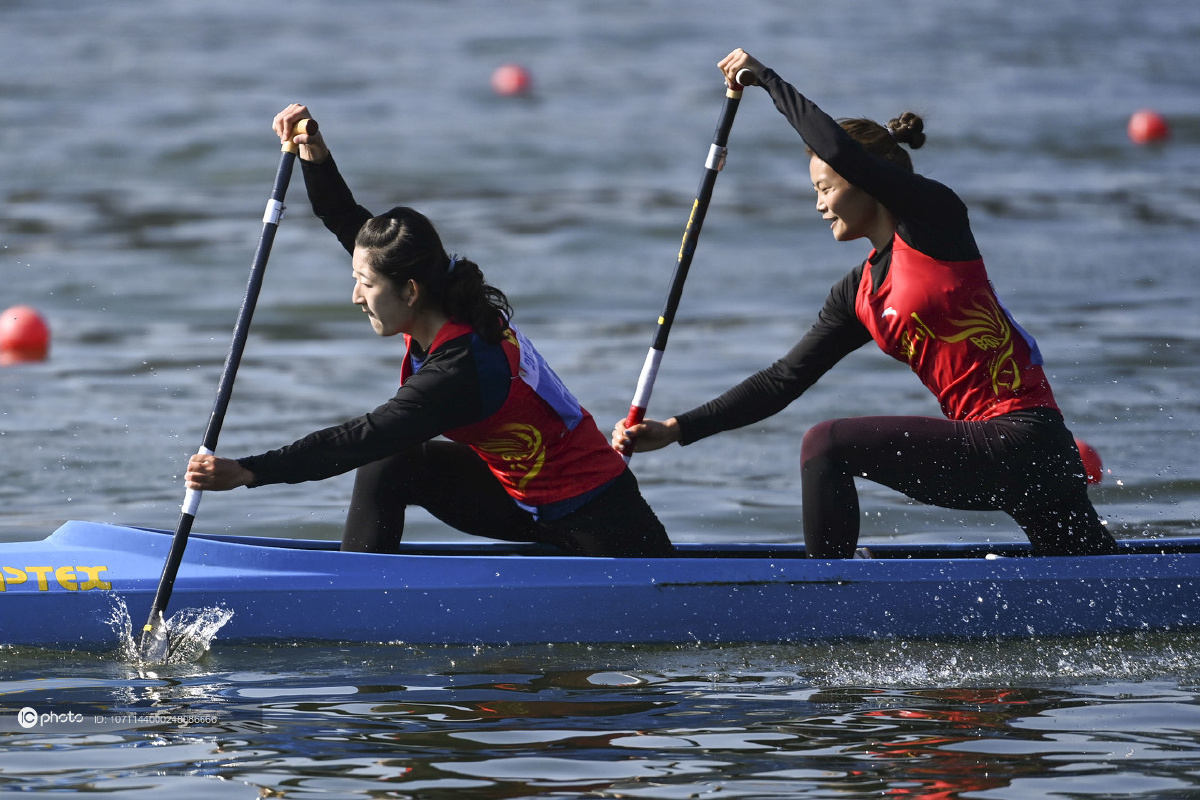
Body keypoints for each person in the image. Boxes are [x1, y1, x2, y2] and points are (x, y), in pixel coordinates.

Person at [613, 49, 1120, 559]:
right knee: (1103, 581)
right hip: (1001, 454)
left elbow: (841, 148)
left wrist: (766, 79)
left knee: (826, 445)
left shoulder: (934, 221)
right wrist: (678, 429)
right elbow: (782, 380)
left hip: (1024, 440)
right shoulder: (857, 294)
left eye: (825, 187)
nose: (818, 204)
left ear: (862, 180)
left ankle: (828, 602)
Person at [185, 104, 673, 557]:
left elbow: (360, 437)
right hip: (521, 497)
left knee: (378, 451)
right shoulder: (438, 295)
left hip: (596, 522)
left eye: (365, 284)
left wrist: (249, 471)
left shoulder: (461, 368)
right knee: (391, 465)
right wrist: (315, 155)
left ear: (410, 290)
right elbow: (345, 220)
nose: (355, 296)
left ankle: (351, 603)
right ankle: (363, 587)